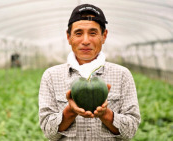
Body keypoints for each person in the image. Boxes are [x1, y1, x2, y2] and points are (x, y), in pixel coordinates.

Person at [38, 3, 141, 141]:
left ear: (104, 36)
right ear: (68, 37)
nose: (85, 41)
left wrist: (105, 114)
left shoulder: (122, 75)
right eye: (78, 33)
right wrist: (70, 112)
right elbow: (48, 132)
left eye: (93, 33)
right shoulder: (51, 76)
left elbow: (131, 130)